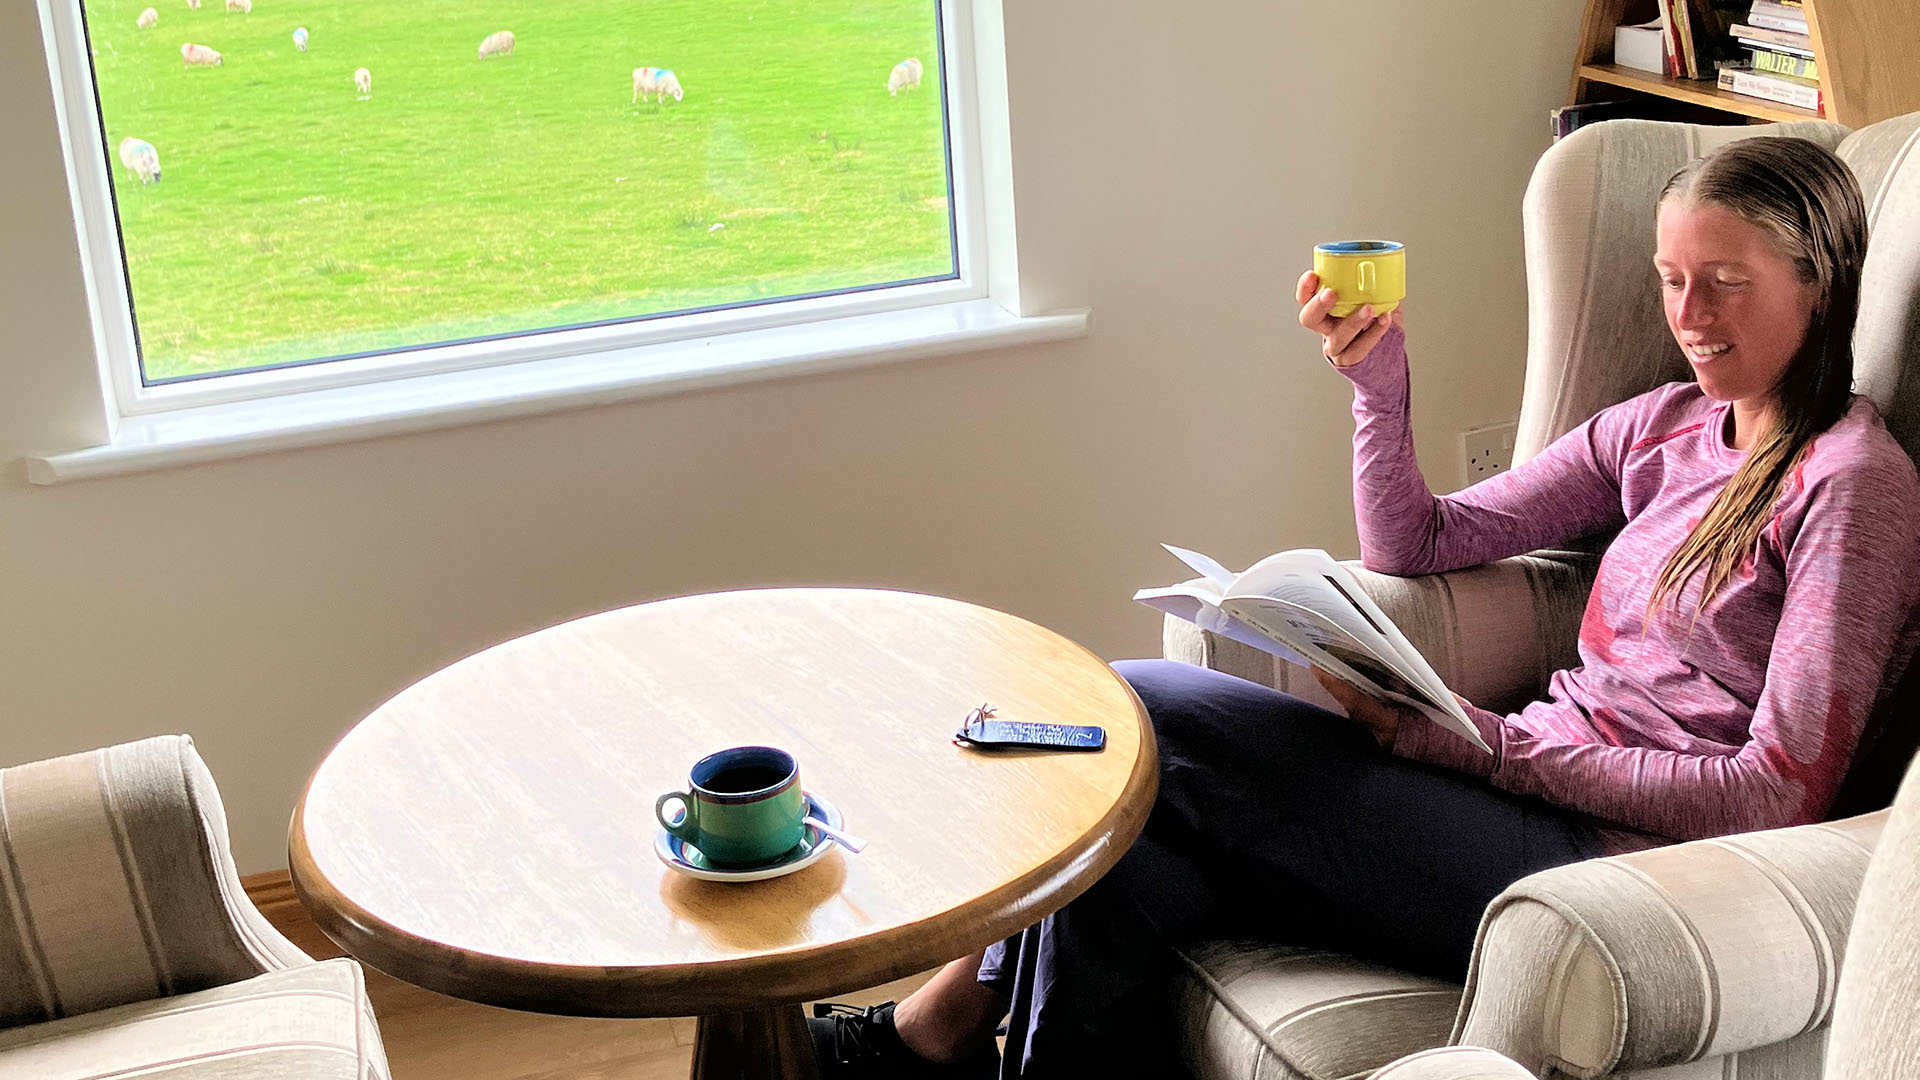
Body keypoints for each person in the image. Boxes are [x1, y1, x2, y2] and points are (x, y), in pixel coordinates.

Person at [807, 136, 1920, 1079]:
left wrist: (1486, 750)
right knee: (1136, 851)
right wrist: (1379, 389)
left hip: (1601, 859)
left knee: (1144, 709)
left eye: (1725, 280)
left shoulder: (1851, 485)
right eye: (1671, 277)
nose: (1688, 313)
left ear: (1819, 280)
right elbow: (1421, 543)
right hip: (1514, 785)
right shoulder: (1667, 426)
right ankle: (943, 1037)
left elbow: (1776, 790)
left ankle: (926, 1036)